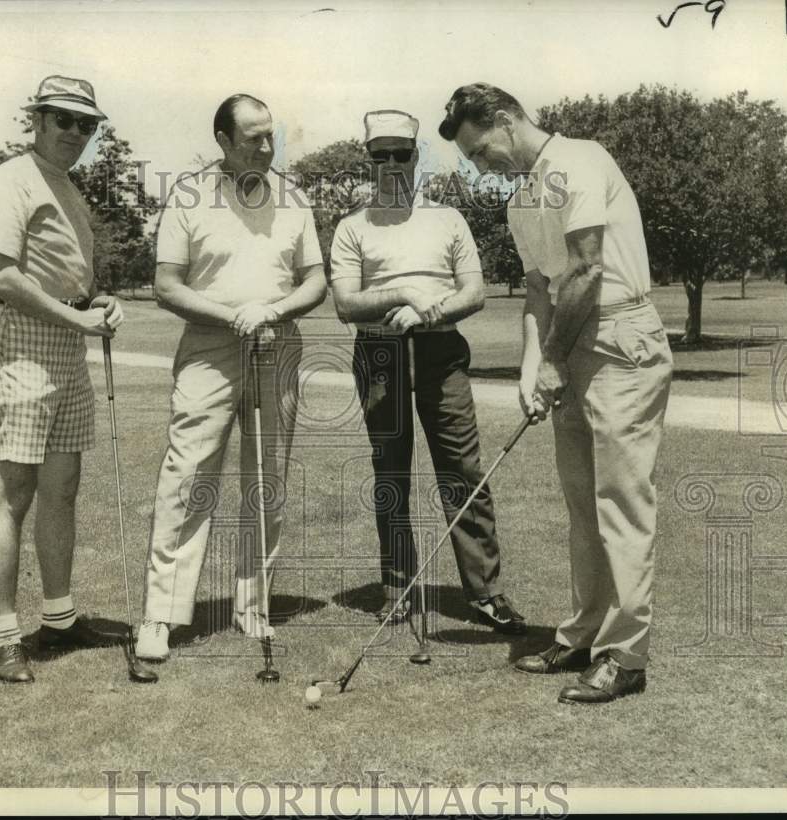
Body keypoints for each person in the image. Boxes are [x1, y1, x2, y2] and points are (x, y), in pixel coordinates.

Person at [439, 83, 673, 704]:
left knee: (620, 501)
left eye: (481, 148)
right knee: (581, 506)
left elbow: (589, 268)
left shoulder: (579, 160)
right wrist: (529, 368)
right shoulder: (521, 200)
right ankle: (584, 631)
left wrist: (551, 361)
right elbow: (539, 291)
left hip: (622, 336)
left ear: (506, 119)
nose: (480, 164)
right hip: (570, 343)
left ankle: (626, 655)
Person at [133, 94, 326, 670]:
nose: (266, 149)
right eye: (252, 139)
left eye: (271, 137)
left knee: (267, 478)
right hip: (210, 349)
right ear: (223, 141)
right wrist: (234, 315)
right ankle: (160, 616)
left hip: (277, 344)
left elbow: (316, 281)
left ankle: (253, 605)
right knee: (188, 477)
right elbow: (167, 285)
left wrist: (272, 312)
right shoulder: (188, 196)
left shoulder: (293, 197)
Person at [328, 109, 526, 634]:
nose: (391, 164)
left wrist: (427, 310)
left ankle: (485, 593)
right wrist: (404, 295)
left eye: (401, 154)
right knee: (391, 474)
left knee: (462, 471)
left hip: (440, 353)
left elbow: (474, 292)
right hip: (381, 357)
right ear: (368, 161)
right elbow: (346, 304)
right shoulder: (352, 227)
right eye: (380, 156)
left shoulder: (448, 218)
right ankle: (397, 589)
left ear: (416, 158)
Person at [0, 76, 125, 683]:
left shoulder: (67, 186)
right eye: (64, 120)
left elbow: (70, 280)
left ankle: (58, 621)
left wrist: (100, 303)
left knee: (62, 488)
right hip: (22, 339)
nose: (76, 133)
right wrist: (78, 318)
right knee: (15, 491)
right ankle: (2, 637)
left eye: (87, 124)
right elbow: (3, 278)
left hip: (65, 342)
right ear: (36, 120)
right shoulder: (12, 176)